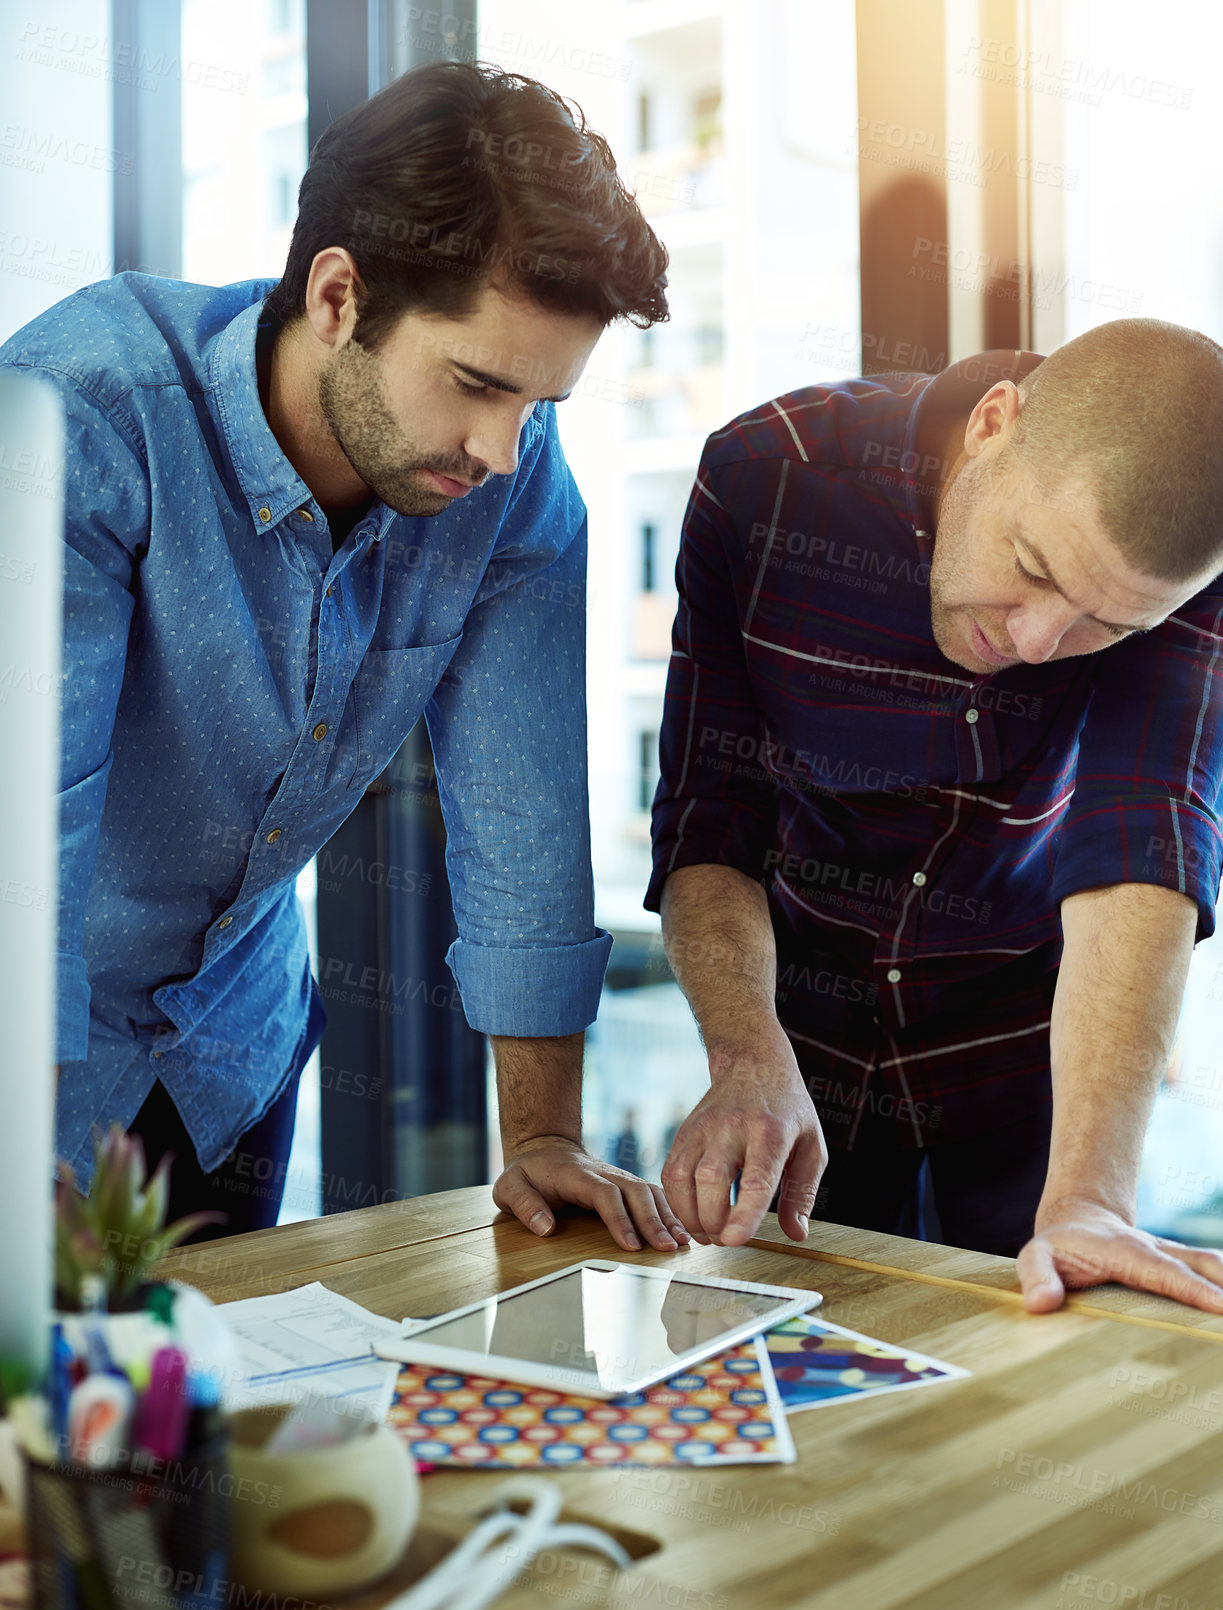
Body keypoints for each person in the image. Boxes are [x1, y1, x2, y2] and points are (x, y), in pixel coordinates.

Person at [1, 60, 690, 1251]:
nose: (498, 446)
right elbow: (29, 832)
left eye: (539, 403)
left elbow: (522, 822)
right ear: (336, 296)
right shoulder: (81, 417)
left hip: (229, 1060)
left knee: (205, 1434)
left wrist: (541, 1139)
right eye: (476, 382)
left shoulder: (511, 487)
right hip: (31, 1055)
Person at [648, 321, 1223, 1313]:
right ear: (994, 423)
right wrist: (740, 1051)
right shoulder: (764, 478)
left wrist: (1089, 1196)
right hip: (796, 1061)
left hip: (1026, 1068)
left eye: (1105, 626)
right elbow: (711, 809)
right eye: (1034, 567)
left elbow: (1143, 840)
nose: (1040, 641)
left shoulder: (1184, 578)